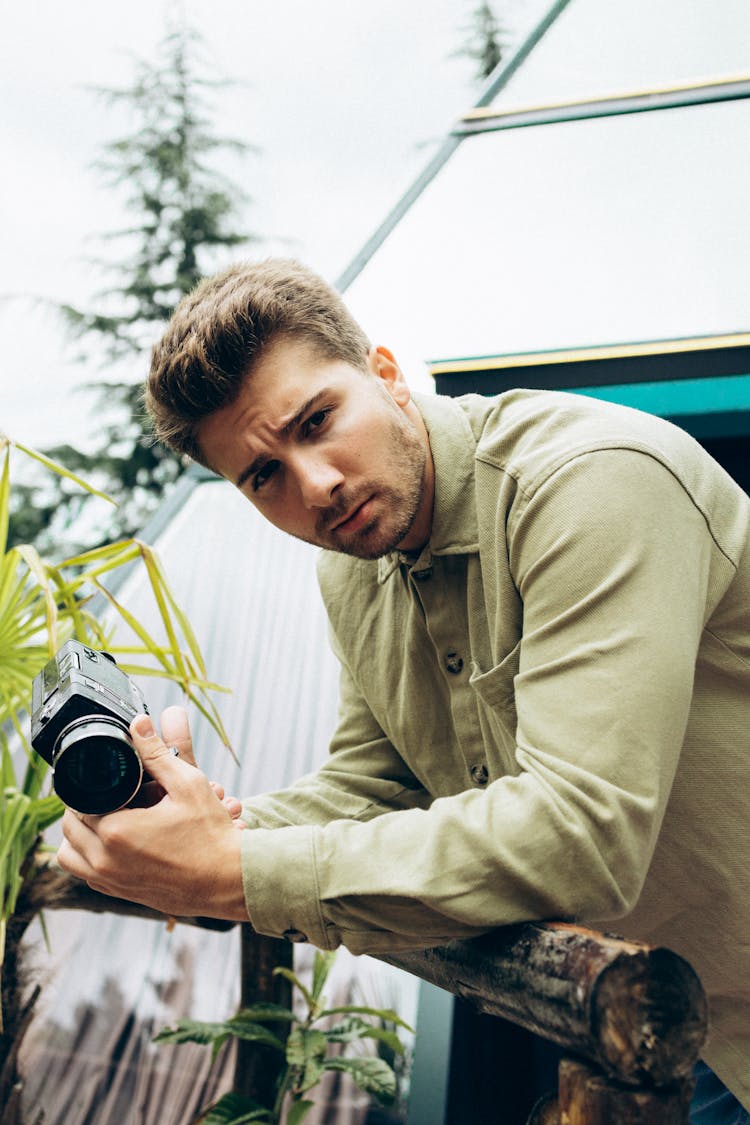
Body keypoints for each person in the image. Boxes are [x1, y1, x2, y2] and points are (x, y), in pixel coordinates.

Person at [58, 259, 750, 1121]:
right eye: (262, 476)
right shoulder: (353, 568)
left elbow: (584, 835)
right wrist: (188, 826)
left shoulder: (592, 483)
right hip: (697, 1018)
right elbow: (373, 786)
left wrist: (233, 870)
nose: (315, 485)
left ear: (386, 374)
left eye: (318, 421)